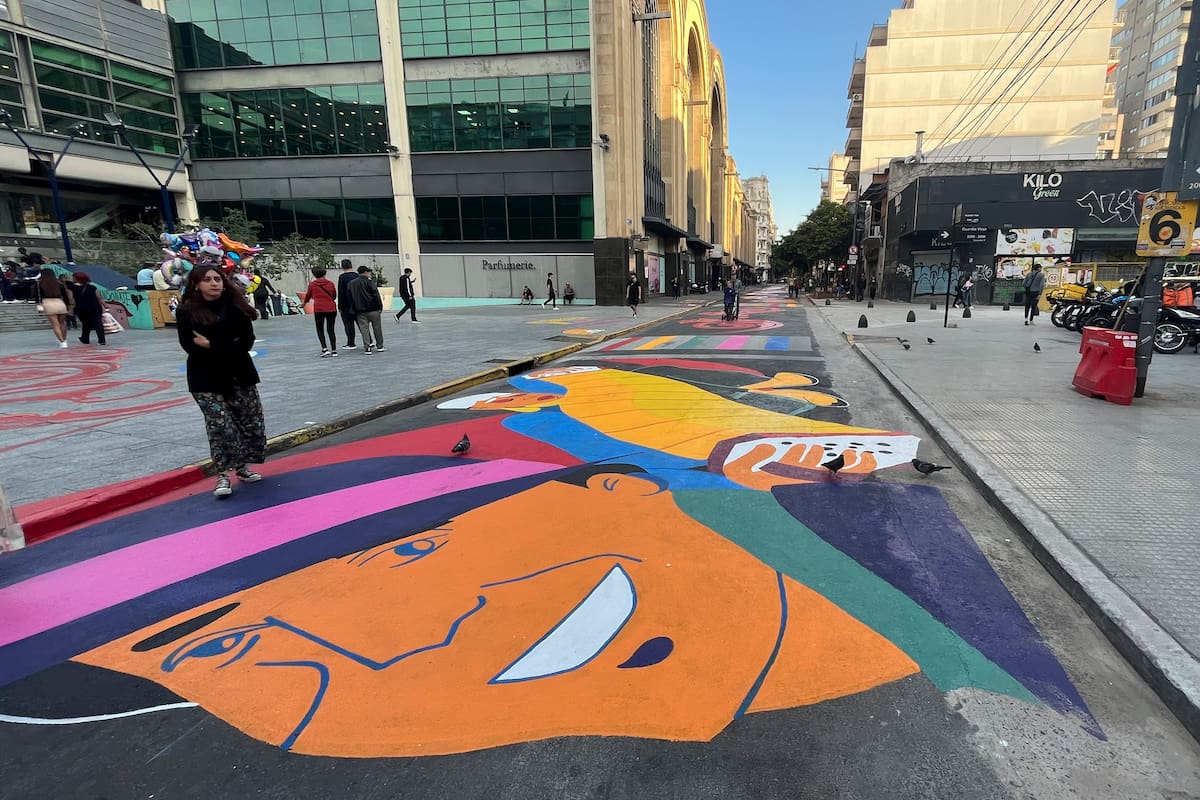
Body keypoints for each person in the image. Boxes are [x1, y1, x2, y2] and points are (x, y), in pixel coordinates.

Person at [175, 265, 266, 498]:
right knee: (221, 427)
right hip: (206, 378)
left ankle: (242, 467)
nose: (214, 283)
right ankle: (223, 474)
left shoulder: (237, 308)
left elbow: (246, 342)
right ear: (196, 284)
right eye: (207, 279)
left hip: (240, 374)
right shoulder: (186, 312)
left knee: (249, 422)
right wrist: (228, 345)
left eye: (218, 279)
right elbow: (191, 347)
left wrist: (213, 345)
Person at [301, 266, 339, 358]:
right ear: (324, 273)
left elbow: (308, 296)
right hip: (331, 308)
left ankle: (325, 348)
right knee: (331, 329)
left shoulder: (312, 285)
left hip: (319, 308)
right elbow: (334, 295)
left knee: (320, 328)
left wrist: (304, 303)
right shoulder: (330, 283)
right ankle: (334, 350)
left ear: (314, 274)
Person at [349, 265, 384, 354]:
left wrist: (353, 309)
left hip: (360, 311)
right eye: (368, 272)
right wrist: (380, 307)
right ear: (365, 273)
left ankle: (367, 347)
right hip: (373, 309)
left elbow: (350, 297)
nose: (369, 274)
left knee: (364, 329)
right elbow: (375, 294)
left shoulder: (352, 283)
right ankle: (380, 346)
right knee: (377, 328)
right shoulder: (369, 282)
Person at [37, 268, 70, 348]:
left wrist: (39, 304)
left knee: (55, 324)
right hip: (60, 303)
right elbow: (65, 296)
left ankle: (62, 341)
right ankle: (64, 339)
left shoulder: (40, 284)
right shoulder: (59, 284)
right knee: (62, 323)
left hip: (48, 303)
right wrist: (68, 305)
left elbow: (37, 296)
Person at [71, 271, 106, 346]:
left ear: (77, 279)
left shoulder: (72, 287)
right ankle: (101, 340)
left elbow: (71, 299)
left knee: (86, 323)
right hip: (95, 307)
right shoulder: (92, 287)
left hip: (82, 308)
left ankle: (85, 338)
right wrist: (104, 305)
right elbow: (99, 297)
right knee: (98, 324)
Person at [336, 259, 359, 349]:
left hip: (346, 305)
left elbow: (341, 292)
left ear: (342, 266)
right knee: (361, 323)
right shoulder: (357, 276)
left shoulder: (342, 277)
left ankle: (351, 343)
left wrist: (340, 305)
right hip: (358, 304)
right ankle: (369, 340)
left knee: (348, 324)